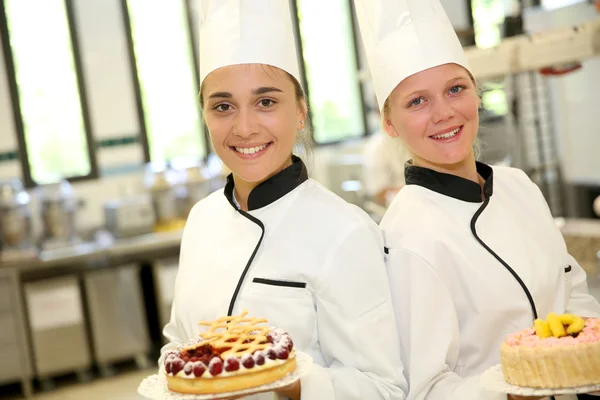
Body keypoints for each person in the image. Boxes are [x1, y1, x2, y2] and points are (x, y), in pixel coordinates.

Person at [160, 1, 407, 399]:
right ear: (204, 116)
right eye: (223, 106)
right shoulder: (202, 219)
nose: (244, 127)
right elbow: (177, 342)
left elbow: (382, 387)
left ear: (301, 113)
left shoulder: (344, 230)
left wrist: (289, 382)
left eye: (266, 102)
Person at [353, 0, 600, 399]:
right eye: (417, 101)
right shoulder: (404, 239)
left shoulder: (518, 186)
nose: (444, 113)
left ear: (477, 93)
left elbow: (573, 290)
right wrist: (510, 389)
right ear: (388, 123)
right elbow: (426, 389)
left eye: (455, 89)